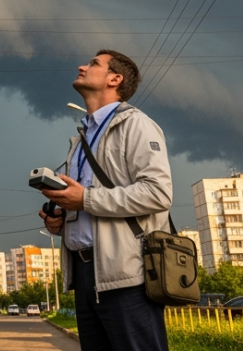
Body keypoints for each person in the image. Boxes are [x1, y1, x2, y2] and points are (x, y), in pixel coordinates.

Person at [40, 50, 172, 351]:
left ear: (115, 79)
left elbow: (158, 193)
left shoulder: (136, 125)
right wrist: (61, 220)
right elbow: (90, 205)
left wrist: (85, 199)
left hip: (127, 275)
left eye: (93, 64)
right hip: (86, 276)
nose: (82, 66)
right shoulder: (82, 138)